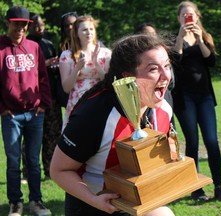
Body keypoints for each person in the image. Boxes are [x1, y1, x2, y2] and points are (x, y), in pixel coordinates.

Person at [50, 34, 175, 216]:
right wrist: (94, 200)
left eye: (167, 66)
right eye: (154, 69)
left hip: (137, 201)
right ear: (127, 76)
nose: (166, 77)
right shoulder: (94, 114)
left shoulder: (165, 104)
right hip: (92, 204)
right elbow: (59, 170)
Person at [171, 1, 221, 202]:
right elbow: (174, 61)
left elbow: (211, 61)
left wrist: (200, 40)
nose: (188, 18)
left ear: (197, 16)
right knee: (193, 143)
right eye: (183, 15)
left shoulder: (205, 36)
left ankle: (219, 186)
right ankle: (196, 188)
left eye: (191, 15)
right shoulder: (174, 38)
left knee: (212, 142)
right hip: (184, 97)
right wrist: (180, 37)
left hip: (204, 96)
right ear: (179, 18)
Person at [0, 6, 52, 216]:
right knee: (13, 161)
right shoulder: (1, 48)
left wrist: (43, 104)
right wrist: (2, 108)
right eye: (16, 24)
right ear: (7, 24)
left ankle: (36, 201)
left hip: (34, 113)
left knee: (33, 160)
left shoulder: (34, 47)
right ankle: (15, 203)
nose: (20, 28)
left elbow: (43, 77)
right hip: (11, 115)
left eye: (24, 25)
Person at [59, 15, 111, 130]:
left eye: (91, 29)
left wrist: (97, 64)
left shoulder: (105, 53)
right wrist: (77, 69)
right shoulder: (67, 55)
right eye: (84, 29)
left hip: (99, 102)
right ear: (76, 33)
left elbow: (109, 83)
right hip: (77, 103)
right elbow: (66, 88)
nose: (89, 32)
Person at [27, 13, 63, 179]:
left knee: (52, 133)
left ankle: (50, 170)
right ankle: (27, 171)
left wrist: (55, 65)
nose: (39, 28)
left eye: (41, 25)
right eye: (35, 26)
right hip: (32, 96)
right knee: (30, 136)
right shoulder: (25, 44)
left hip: (51, 95)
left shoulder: (48, 44)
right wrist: (45, 64)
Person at [58, 11, 79, 108]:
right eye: (66, 26)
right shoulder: (63, 47)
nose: (70, 27)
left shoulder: (91, 45)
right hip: (71, 96)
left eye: (72, 24)